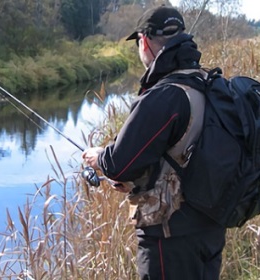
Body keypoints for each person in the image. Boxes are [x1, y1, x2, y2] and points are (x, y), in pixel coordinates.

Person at [82, 5, 226, 280]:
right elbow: (182, 154)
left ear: (144, 41)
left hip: (171, 237)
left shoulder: (164, 96)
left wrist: (99, 155)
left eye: (138, 42)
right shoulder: (207, 82)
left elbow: (119, 164)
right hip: (210, 227)